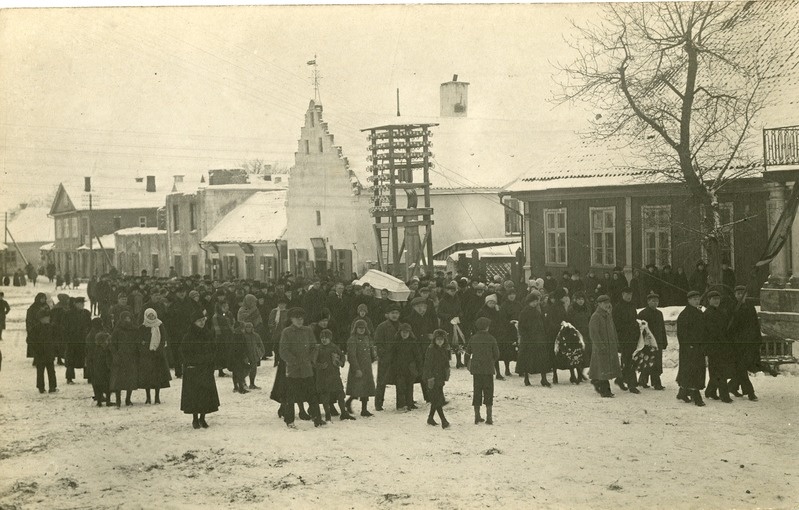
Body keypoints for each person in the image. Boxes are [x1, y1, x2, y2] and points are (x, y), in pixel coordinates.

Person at [280, 307, 323, 428]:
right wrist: (294, 361)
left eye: (301, 318)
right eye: (296, 318)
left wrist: (310, 359)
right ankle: (289, 421)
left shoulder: (308, 330)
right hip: (293, 370)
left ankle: (317, 419)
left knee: (312, 395)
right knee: (291, 396)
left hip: (307, 369)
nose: (299, 321)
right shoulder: (286, 332)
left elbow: (314, 347)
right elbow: (283, 351)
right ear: (292, 319)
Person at [181, 310, 220, 428]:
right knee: (194, 395)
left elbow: (214, 349)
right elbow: (184, 353)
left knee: (205, 395)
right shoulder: (188, 336)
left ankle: (202, 418)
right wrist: (193, 362)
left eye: (203, 320)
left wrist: (211, 360)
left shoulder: (208, 334)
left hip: (206, 368)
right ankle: (194, 419)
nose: (202, 323)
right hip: (193, 369)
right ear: (194, 322)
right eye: (199, 321)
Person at [314, 329, 355, 421]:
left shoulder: (334, 347)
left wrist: (340, 362)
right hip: (323, 376)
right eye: (322, 338)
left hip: (334, 375)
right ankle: (328, 414)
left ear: (330, 338)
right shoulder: (318, 348)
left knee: (340, 394)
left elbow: (342, 356)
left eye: (326, 338)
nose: (324, 340)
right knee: (325, 396)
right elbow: (313, 361)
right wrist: (320, 366)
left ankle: (343, 413)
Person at [728, 285, 761, 401]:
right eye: (738, 293)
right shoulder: (731, 307)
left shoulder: (750, 307)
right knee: (741, 367)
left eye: (742, 293)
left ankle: (732, 386)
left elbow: (755, 324)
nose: (740, 296)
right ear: (735, 295)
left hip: (749, 342)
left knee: (742, 367)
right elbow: (729, 326)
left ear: (746, 295)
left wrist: (758, 339)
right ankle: (750, 392)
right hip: (737, 343)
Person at [676, 290, 707, 406]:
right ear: (688, 300)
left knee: (696, 370)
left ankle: (683, 392)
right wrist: (688, 345)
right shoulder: (684, 315)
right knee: (692, 371)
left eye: (698, 299)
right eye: (694, 299)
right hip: (689, 348)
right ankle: (696, 396)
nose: (696, 301)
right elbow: (681, 333)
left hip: (699, 347)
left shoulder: (699, 313)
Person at [466, 317, 499, 425]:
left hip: (476, 370)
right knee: (488, 391)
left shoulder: (473, 338)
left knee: (477, 391)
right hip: (488, 369)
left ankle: (477, 416)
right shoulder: (492, 338)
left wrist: (468, 363)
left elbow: (468, 352)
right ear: (487, 327)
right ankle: (489, 417)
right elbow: (497, 354)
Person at [703, 290, 735, 403]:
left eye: (718, 299)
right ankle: (724, 395)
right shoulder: (707, 314)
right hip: (713, 347)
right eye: (714, 299)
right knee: (719, 371)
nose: (716, 301)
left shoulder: (721, 312)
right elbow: (711, 332)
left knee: (718, 371)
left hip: (722, 346)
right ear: (709, 300)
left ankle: (710, 391)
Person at [588, 295, 621, 398]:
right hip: (601, 348)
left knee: (606, 369)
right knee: (602, 370)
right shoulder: (596, 316)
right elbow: (594, 334)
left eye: (608, 303)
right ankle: (605, 391)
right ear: (599, 304)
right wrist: (600, 346)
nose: (607, 305)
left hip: (610, 347)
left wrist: (616, 343)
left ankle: (603, 388)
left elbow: (613, 330)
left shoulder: (608, 315)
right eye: (604, 303)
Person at [515, 290, 550, 387]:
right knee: (528, 359)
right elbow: (521, 326)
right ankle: (526, 378)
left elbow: (542, 323)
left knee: (542, 359)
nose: (535, 303)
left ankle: (544, 379)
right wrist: (526, 337)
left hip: (539, 338)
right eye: (533, 301)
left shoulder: (537, 311)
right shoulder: (524, 312)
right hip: (529, 339)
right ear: (529, 302)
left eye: (536, 301)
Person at [138, 308, 171, 405]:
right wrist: (145, 349)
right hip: (147, 355)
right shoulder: (143, 327)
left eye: (153, 315)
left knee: (158, 377)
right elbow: (140, 340)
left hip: (158, 355)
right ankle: (148, 397)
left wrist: (159, 349)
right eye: (149, 316)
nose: (151, 317)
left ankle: (157, 397)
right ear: (146, 316)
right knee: (147, 377)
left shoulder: (160, 325)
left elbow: (163, 338)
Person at [345, 319, 376, 417]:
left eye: (363, 328)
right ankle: (348, 402)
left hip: (367, 368)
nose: (361, 330)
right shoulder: (352, 339)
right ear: (356, 328)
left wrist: (374, 356)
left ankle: (364, 409)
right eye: (359, 328)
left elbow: (371, 350)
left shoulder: (367, 338)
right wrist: (356, 369)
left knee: (366, 389)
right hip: (357, 368)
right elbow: (351, 356)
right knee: (357, 389)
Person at [636, 292, 667, 390]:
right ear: (648, 302)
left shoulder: (659, 313)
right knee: (648, 361)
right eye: (653, 301)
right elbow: (639, 330)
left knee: (656, 362)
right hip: (647, 343)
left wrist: (664, 341)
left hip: (658, 342)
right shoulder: (643, 314)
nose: (655, 303)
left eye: (657, 301)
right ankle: (654, 383)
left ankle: (643, 381)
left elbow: (662, 328)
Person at [612, 287, 640, 394]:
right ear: (622, 294)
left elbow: (635, 321)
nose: (629, 296)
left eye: (630, 294)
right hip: (624, 338)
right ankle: (632, 384)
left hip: (633, 338)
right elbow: (616, 325)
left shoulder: (632, 307)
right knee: (628, 361)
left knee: (630, 360)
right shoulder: (618, 308)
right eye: (627, 294)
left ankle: (620, 379)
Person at [109, 311, 140, 407]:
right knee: (119, 380)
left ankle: (128, 399)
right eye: (125, 318)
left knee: (130, 379)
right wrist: (116, 354)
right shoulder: (117, 330)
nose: (127, 320)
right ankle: (118, 400)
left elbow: (137, 342)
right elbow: (113, 344)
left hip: (131, 357)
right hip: (120, 358)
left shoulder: (134, 330)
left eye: (129, 318)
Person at [373, 305, 401, 411]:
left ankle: (401, 404)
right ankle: (378, 404)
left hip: (398, 359)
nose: (394, 315)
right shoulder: (382, 327)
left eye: (396, 313)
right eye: (392, 313)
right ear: (387, 315)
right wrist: (383, 355)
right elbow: (377, 343)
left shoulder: (401, 326)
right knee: (382, 381)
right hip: (386, 359)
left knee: (400, 381)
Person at [391, 323, 422, 412]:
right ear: (399, 332)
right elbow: (392, 356)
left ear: (410, 333)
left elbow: (417, 356)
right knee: (400, 387)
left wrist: (418, 367)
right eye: (403, 332)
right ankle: (400, 405)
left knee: (410, 386)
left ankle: (410, 403)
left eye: (407, 332)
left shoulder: (413, 342)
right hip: (399, 369)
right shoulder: (396, 342)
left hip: (410, 369)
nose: (405, 334)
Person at [423, 329, 451, 429]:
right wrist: (430, 378)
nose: (440, 341)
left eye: (442, 339)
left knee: (436, 399)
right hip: (433, 378)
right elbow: (427, 365)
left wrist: (446, 373)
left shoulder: (444, 349)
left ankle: (430, 418)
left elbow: (446, 362)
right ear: (434, 340)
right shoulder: (431, 349)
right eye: (438, 339)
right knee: (437, 399)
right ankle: (444, 420)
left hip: (440, 378)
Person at [63, 297, 91, 384]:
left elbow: (89, 325)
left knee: (86, 358)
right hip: (72, 340)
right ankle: (69, 378)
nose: (82, 305)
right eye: (80, 303)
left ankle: (89, 377)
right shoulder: (69, 314)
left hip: (84, 339)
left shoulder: (86, 313)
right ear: (75, 304)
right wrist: (67, 337)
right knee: (70, 359)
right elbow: (65, 327)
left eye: (83, 303)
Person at [30, 308, 58, 394]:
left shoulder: (51, 327)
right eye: (46, 317)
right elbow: (30, 340)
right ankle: (41, 387)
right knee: (40, 371)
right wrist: (36, 349)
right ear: (41, 319)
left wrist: (54, 349)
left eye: (49, 317)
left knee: (51, 370)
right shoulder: (36, 328)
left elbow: (55, 338)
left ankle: (52, 387)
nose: (48, 319)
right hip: (40, 353)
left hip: (49, 353)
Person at [497, 289, 522, 379]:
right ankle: (507, 368)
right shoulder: (504, 305)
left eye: (513, 294)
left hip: (517, 329)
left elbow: (521, 314)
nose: (512, 296)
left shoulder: (518, 304)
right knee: (507, 349)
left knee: (519, 348)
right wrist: (508, 322)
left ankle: (519, 368)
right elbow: (501, 318)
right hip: (507, 330)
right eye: (510, 294)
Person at [567, 291, 592, 381]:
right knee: (577, 353)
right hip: (576, 333)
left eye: (582, 299)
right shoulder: (572, 309)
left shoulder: (586, 308)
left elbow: (589, 319)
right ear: (575, 300)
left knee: (586, 352)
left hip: (586, 333)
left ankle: (581, 372)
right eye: (578, 299)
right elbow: (569, 321)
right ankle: (575, 374)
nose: (581, 301)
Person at [89, 332, 113, 407]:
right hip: (105, 372)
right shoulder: (106, 350)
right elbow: (108, 361)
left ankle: (99, 401)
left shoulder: (94, 350)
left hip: (96, 372)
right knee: (107, 386)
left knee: (98, 386)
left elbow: (91, 360)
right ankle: (108, 401)